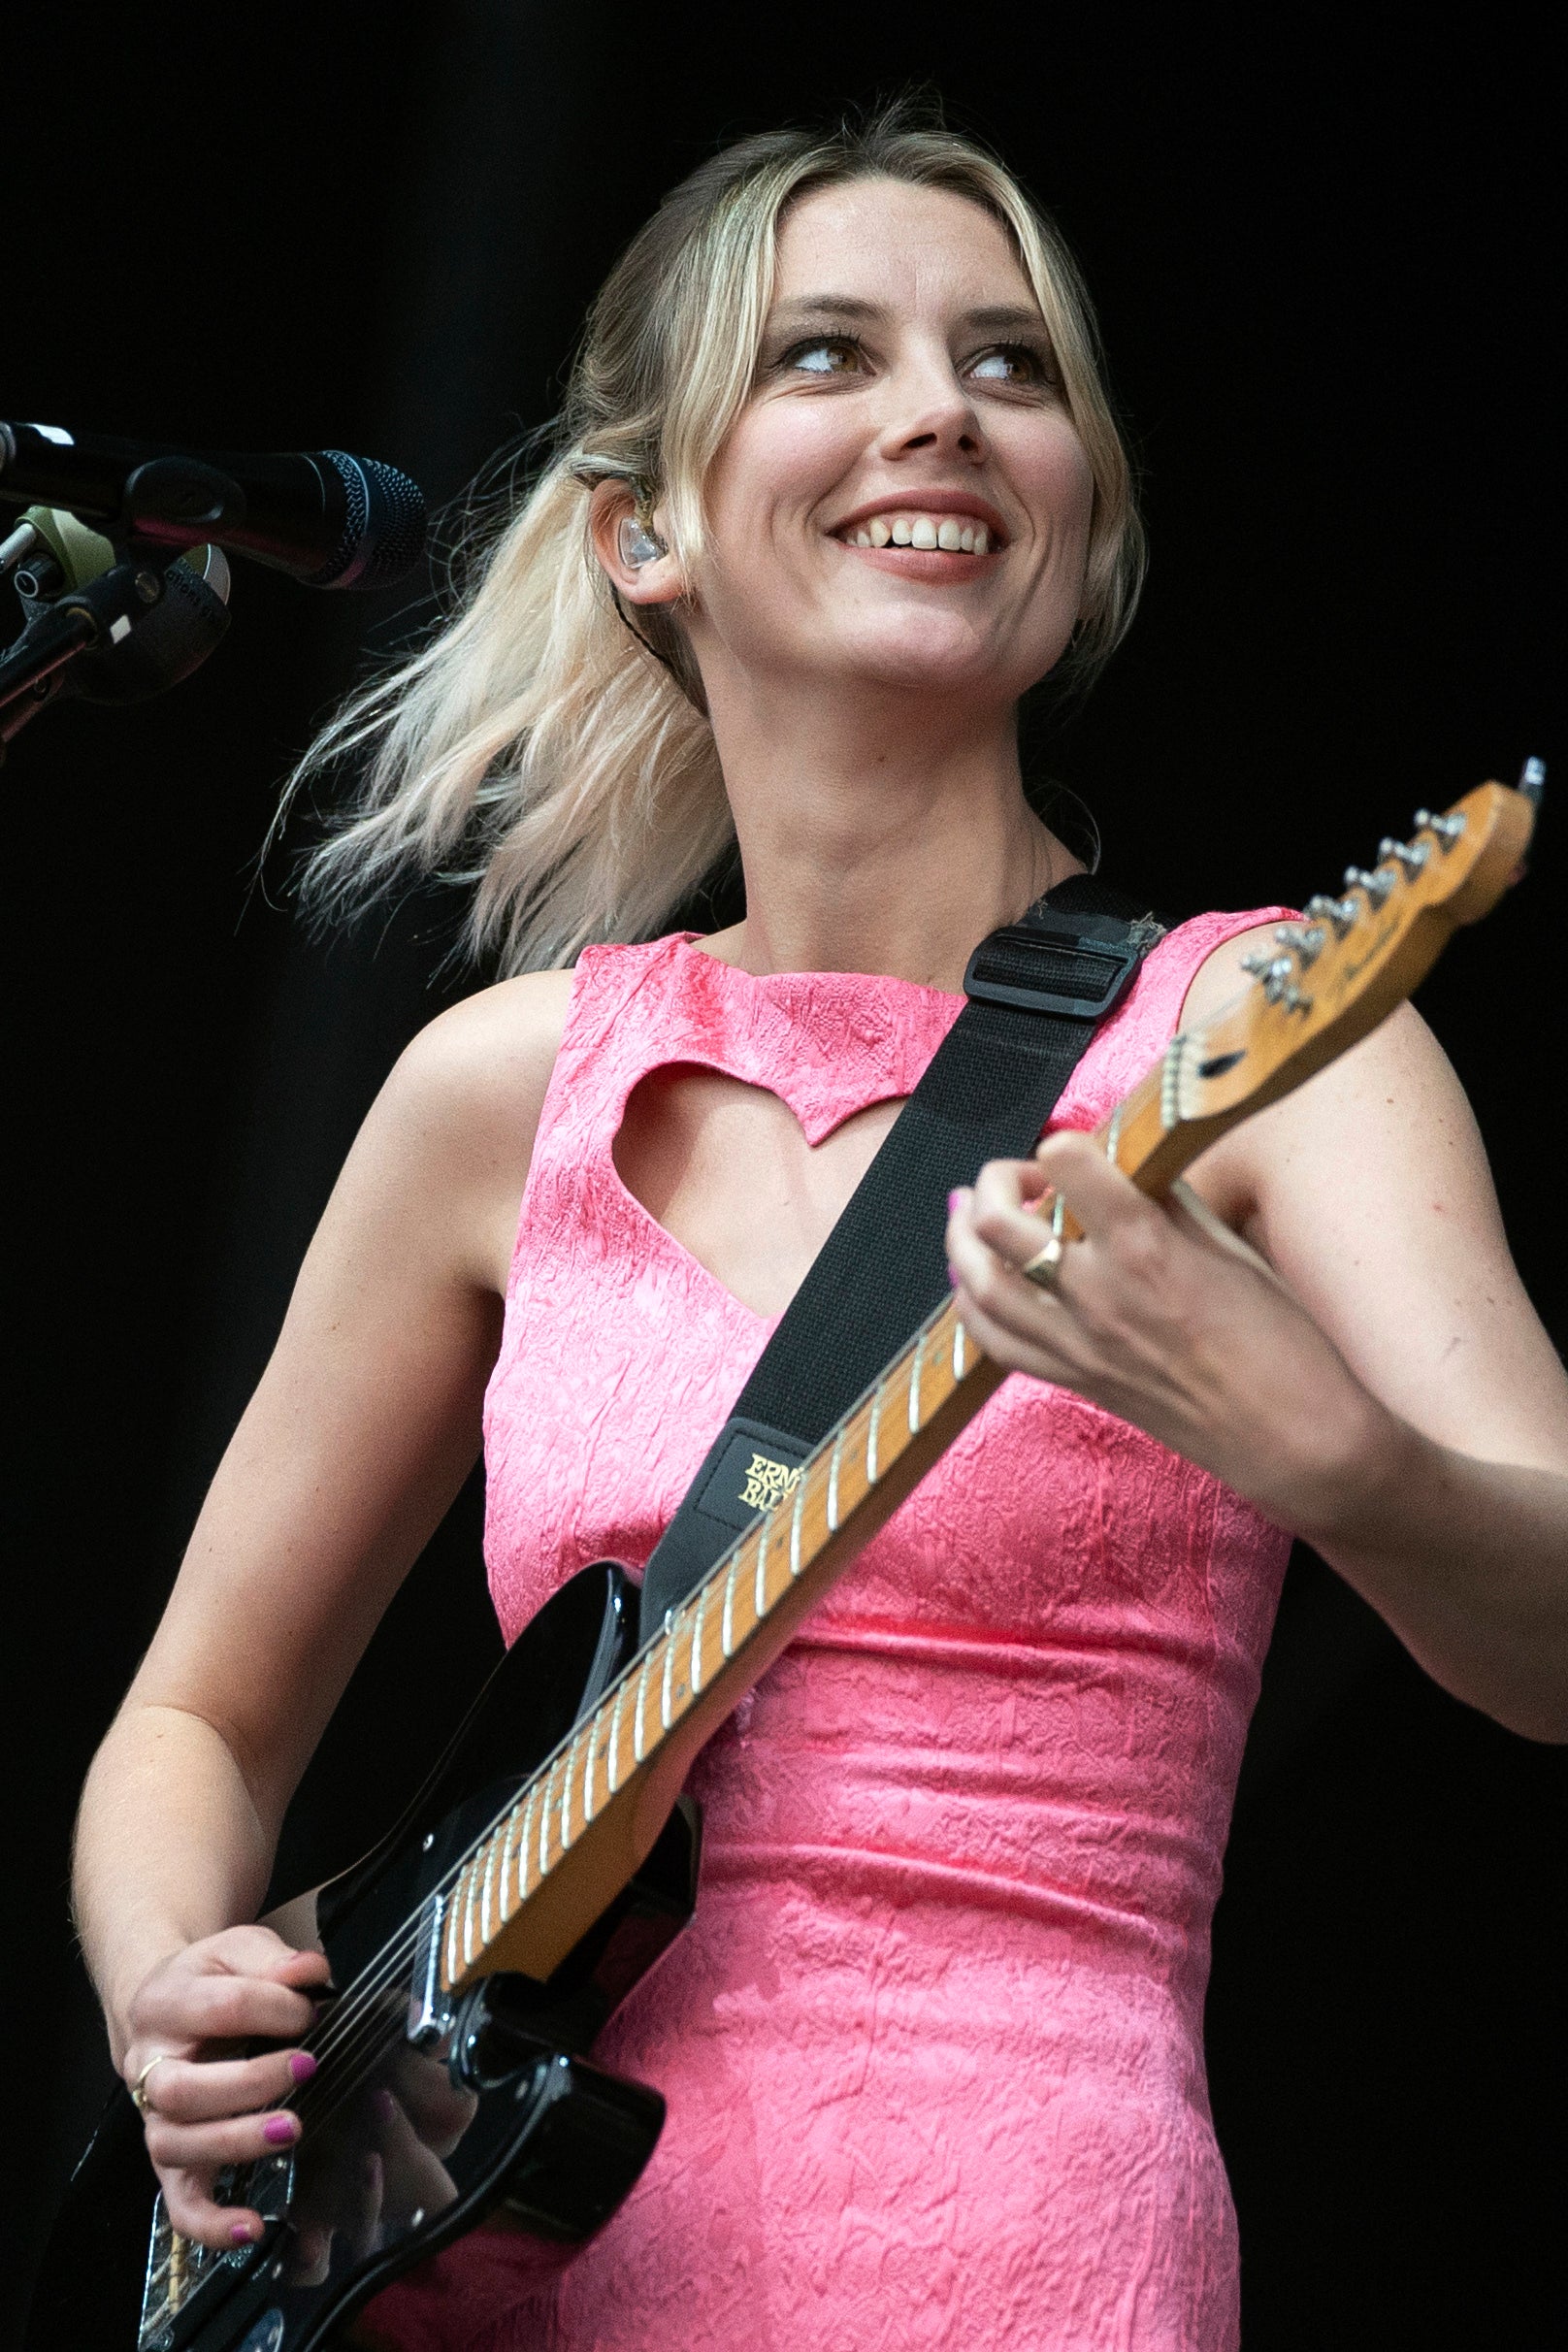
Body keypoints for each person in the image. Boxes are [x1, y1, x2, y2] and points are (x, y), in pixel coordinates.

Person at [71, 104, 1568, 2351]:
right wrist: (172, 1993)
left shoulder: (1257, 1033)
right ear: (639, 530)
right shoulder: (503, 1091)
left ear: (1084, 516)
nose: (938, 410)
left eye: (1012, 365)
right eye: (823, 355)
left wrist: (1325, 1453)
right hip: (482, 2279)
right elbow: (191, 1718)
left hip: (1025, 2258)